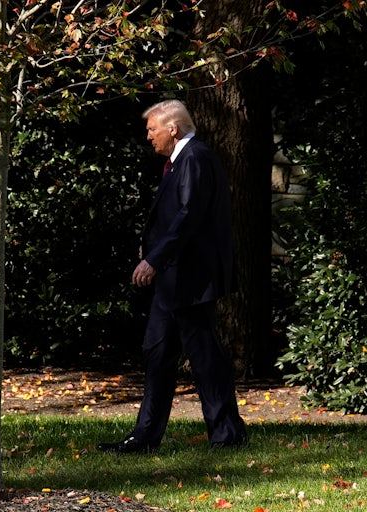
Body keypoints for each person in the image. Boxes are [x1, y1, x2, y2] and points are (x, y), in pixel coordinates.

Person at [98, 99, 248, 454]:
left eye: (152, 129)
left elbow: (188, 216)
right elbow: (175, 218)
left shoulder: (194, 158)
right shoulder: (180, 161)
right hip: (173, 280)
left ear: (172, 128)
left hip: (189, 281)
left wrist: (154, 259)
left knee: (204, 357)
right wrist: (150, 249)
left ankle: (227, 434)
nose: (148, 137)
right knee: (158, 354)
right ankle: (144, 437)